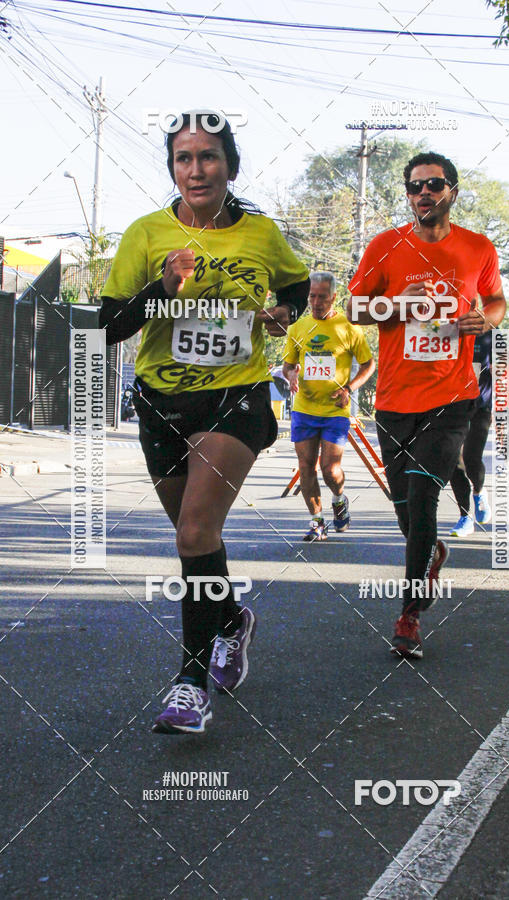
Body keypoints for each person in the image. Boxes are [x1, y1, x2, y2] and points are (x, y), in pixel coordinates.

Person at [99, 112, 310, 734]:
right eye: (184, 158)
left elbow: (296, 288)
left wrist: (281, 313)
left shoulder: (262, 234)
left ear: (230, 166)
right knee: (201, 541)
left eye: (208, 157)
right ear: (173, 168)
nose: (196, 169)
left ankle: (190, 684)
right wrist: (163, 288)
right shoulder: (146, 233)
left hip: (236, 395)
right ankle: (231, 620)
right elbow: (108, 326)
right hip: (162, 402)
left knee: (192, 534)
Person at [348, 151, 506, 659]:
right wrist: (396, 304)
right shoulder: (385, 245)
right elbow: (354, 305)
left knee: (422, 501)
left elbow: (497, 299)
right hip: (394, 401)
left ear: (452, 192)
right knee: (406, 515)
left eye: (434, 185)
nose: (424, 194)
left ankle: (409, 616)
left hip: (452, 397)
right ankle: (432, 551)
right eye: (415, 187)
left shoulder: (477, 248)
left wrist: (488, 319)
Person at [282, 272, 375, 540]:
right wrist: (291, 376)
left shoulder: (349, 327)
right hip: (304, 409)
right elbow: (289, 366)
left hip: (335, 410)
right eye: (312, 296)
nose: (316, 302)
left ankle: (339, 498)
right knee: (306, 466)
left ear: (334, 297)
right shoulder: (298, 328)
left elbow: (369, 365)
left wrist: (349, 389)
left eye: (322, 296)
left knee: (330, 470)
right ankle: (317, 522)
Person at [449, 330, 493, 536]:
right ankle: (465, 517)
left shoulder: (491, 335)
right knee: (452, 460)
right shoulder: (447, 328)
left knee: (471, 458)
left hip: (480, 405)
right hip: (450, 405)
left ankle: (479, 491)